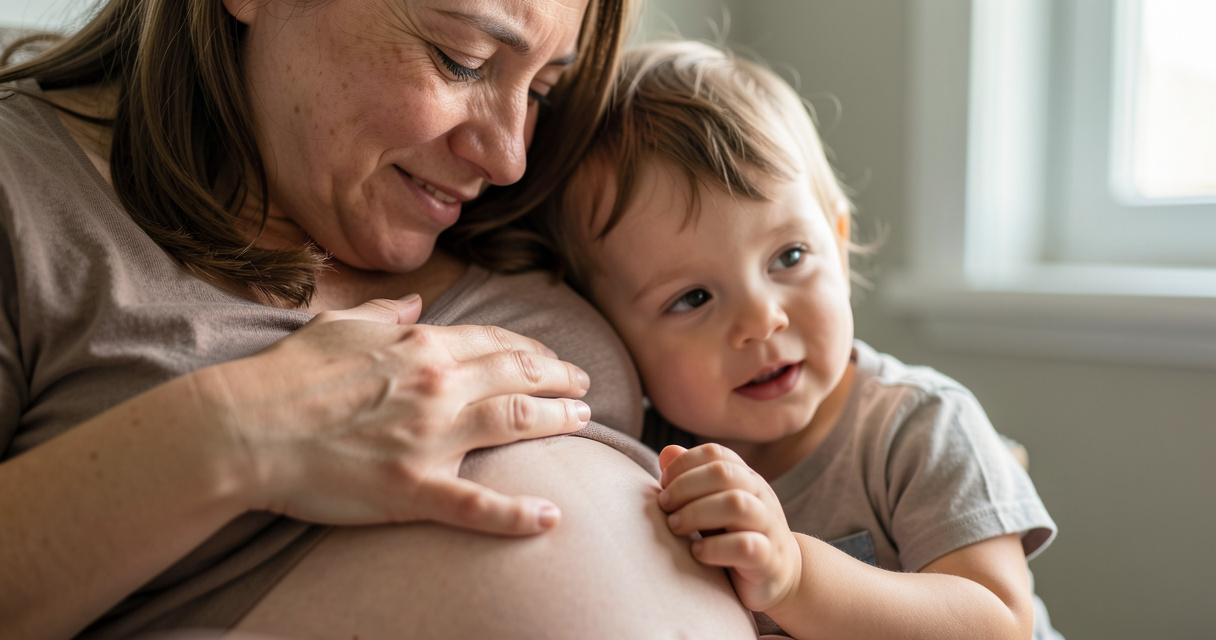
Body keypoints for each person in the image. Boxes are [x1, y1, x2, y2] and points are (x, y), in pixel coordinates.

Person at [0, 3, 763, 639]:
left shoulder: (542, 207)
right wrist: (238, 432)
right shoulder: (22, 198)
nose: (507, 159)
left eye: (542, 92)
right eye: (460, 58)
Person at [542, 39, 1065, 639]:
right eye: (692, 298)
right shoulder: (645, 461)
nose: (762, 321)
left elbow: (998, 625)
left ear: (838, 249)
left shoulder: (920, 427)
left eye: (789, 256)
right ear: (608, 334)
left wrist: (796, 579)